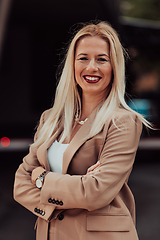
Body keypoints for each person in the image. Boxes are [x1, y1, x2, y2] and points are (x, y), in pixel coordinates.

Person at [13, 21, 151, 240]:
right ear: (72, 64)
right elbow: (20, 184)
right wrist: (65, 195)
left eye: (102, 59)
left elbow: (96, 192)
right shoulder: (50, 119)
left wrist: (41, 179)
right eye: (83, 58)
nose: (92, 67)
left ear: (114, 67)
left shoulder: (123, 122)